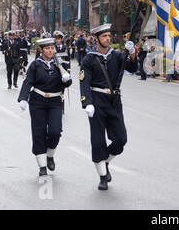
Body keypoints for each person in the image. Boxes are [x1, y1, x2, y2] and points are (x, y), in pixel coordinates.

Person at [79, 24, 137, 191]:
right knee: (98, 140)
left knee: (121, 139)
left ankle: (105, 161)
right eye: (103, 36)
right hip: (96, 101)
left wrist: (132, 53)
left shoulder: (117, 56)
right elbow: (84, 83)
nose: (107, 38)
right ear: (96, 39)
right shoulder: (89, 59)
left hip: (114, 102)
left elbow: (132, 68)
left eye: (108, 36)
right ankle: (103, 176)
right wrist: (86, 102)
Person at [17, 38, 72, 176]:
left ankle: (50, 155)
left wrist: (67, 80)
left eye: (52, 48)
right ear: (41, 50)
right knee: (39, 132)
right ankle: (42, 165)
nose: (50, 51)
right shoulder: (36, 65)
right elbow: (28, 81)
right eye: (47, 48)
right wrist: (23, 98)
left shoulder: (58, 64)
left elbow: (66, 82)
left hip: (55, 102)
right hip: (38, 101)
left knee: (55, 131)